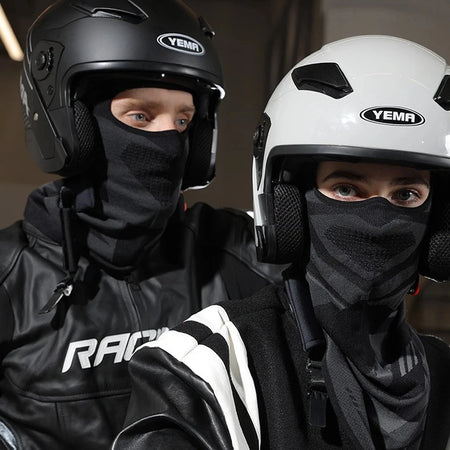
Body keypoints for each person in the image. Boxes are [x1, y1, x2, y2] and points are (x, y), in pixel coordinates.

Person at [112, 35, 450, 450]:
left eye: (406, 195)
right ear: (289, 205)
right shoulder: (208, 368)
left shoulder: (441, 371)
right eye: (346, 189)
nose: (378, 220)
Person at [0, 1, 283, 449]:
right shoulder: (9, 276)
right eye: (140, 116)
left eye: (184, 121)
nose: (169, 141)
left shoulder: (236, 253)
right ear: (71, 127)